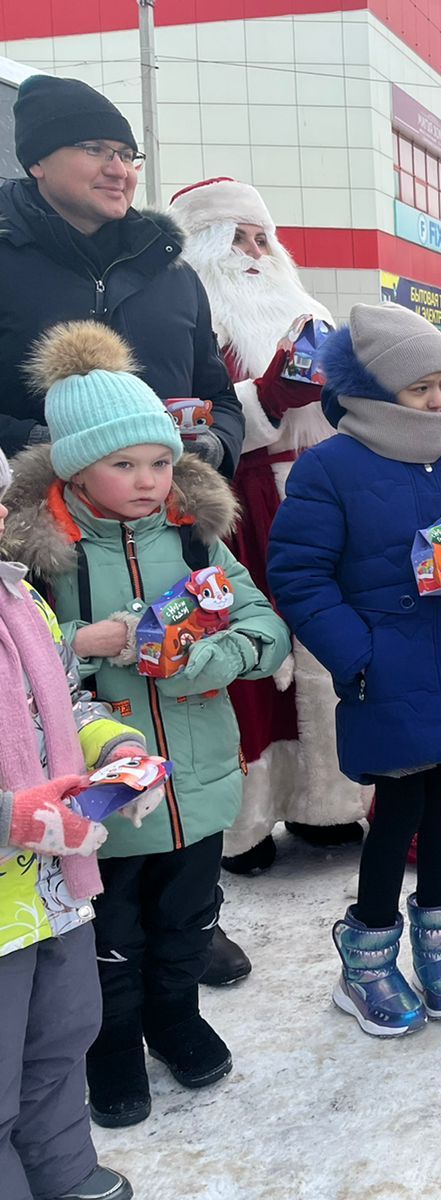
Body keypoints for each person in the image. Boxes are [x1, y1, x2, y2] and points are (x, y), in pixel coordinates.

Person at [0, 322, 289, 1128]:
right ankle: (114, 1042)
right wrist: (78, 648)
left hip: (198, 784)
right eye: (123, 465)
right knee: (109, 935)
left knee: (188, 919)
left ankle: (175, 1016)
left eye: (160, 462)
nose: (148, 481)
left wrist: (200, 658)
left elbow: (266, 634)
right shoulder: (39, 556)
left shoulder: (197, 539)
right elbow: (16, 682)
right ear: (73, 466)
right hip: (101, 798)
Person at [268, 304, 441, 1037]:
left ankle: (438, 946)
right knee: (398, 811)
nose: (439, 401)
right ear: (376, 386)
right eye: (421, 388)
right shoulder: (330, 467)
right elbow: (300, 575)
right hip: (386, 669)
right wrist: (359, 656)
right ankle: (368, 955)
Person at [165, 177, 369, 884]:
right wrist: (269, 395)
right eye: (236, 238)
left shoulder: (307, 310)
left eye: (262, 237)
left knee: (327, 653)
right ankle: (245, 822)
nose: (254, 252)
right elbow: (193, 421)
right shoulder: (196, 318)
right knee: (255, 665)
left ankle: (329, 803)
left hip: (322, 499)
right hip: (243, 507)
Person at [0, 449, 146, 1200]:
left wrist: (113, 748)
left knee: (59, 1042)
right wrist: (14, 815)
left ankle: (63, 1171)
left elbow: (63, 702)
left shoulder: (23, 602)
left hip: (53, 887)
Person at [0, 76, 243, 473]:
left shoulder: (173, 273)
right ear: (36, 162)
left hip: (165, 525)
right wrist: (44, 447)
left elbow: (220, 398)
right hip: (29, 522)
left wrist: (216, 446)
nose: (119, 171)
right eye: (94, 149)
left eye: (127, 155)